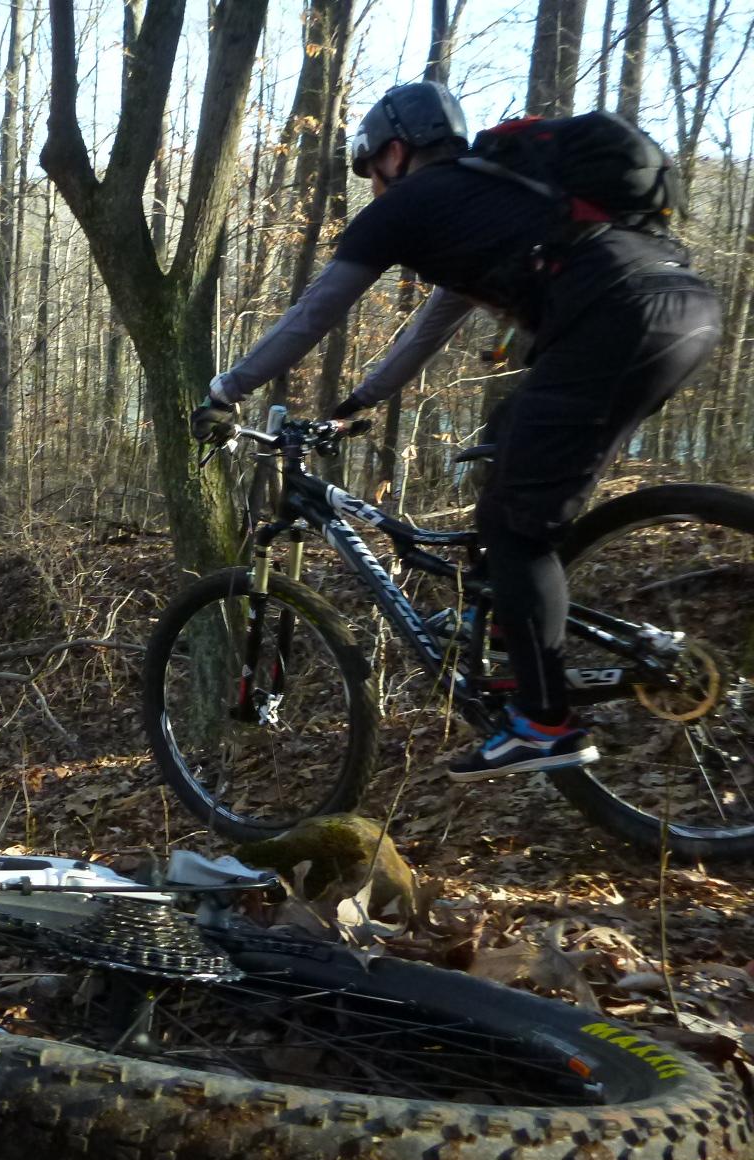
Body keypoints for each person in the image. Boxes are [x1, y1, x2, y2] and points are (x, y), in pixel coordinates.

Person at [190, 81, 722, 783]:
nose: (371, 182)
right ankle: (513, 620)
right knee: (508, 455)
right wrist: (355, 402)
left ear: (396, 151)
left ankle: (544, 723)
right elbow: (426, 332)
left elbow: (315, 312)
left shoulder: (413, 204)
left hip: (614, 319)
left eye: (370, 165)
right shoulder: (486, 206)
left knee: (515, 521)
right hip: (683, 313)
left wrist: (226, 390)